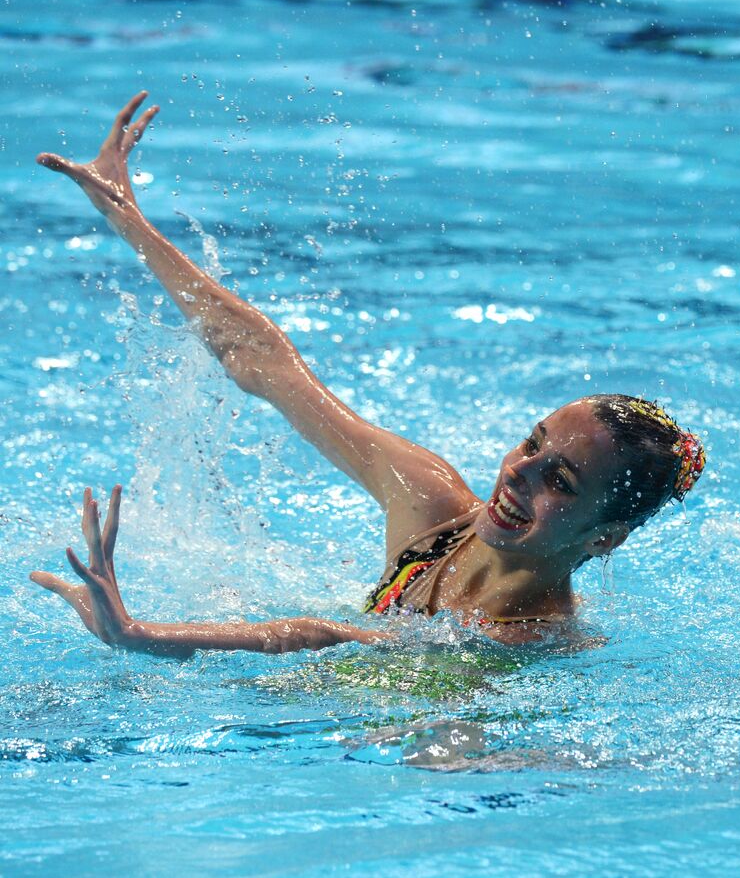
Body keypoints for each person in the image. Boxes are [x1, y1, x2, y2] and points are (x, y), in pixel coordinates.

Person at [29, 93, 705, 655]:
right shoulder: (433, 504)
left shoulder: (536, 641)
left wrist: (142, 634)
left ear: (605, 537)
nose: (517, 474)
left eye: (559, 479)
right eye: (532, 443)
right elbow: (267, 365)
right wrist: (124, 217)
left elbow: (325, 636)